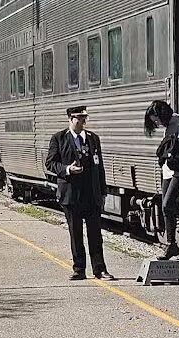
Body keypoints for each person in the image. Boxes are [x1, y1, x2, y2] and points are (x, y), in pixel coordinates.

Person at [46, 106, 115, 281]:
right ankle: (79, 269)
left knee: (95, 234)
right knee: (75, 234)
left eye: (84, 118)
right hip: (70, 194)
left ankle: (100, 269)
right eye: (79, 118)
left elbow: (100, 166)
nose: (83, 121)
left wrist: (102, 190)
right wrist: (68, 169)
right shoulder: (59, 139)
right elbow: (51, 163)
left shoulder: (93, 139)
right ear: (70, 119)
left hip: (91, 194)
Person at [144, 100, 179, 260]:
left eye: (157, 119)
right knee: (167, 207)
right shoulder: (169, 127)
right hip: (167, 172)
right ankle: (171, 245)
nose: (156, 123)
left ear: (163, 115)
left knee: (167, 205)